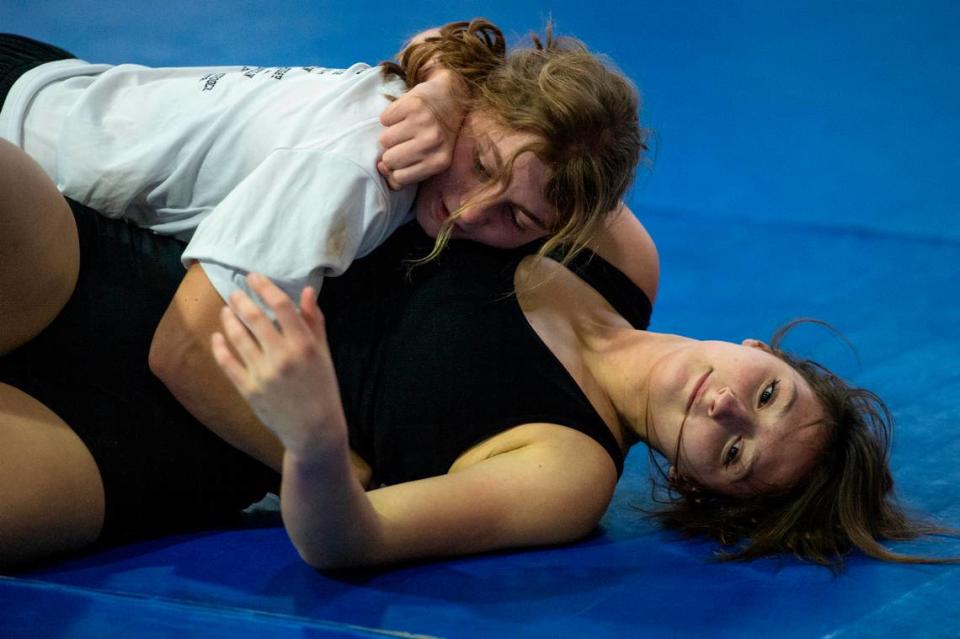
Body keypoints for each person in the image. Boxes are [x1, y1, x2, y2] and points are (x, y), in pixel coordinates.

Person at [0, 134, 944, 570]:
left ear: (701, 484)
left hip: (139, 454)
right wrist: (451, 80)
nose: (729, 411)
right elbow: (510, 114)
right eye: (770, 394)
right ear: (754, 347)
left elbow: (349, 541)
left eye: (734, 454)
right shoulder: (617, 251)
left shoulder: (564, 471)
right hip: (140, 269)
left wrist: (319, 444)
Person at [0, 20, 649, 466]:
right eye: (482, 164)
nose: (469, 210)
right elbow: (185, 350)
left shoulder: (455, 99)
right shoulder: (366, 171)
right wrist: (334, 468)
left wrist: (446, 82)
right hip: (22, 138)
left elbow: (457, 46)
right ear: (478, 107)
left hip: (58, 90)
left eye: (516, 217)